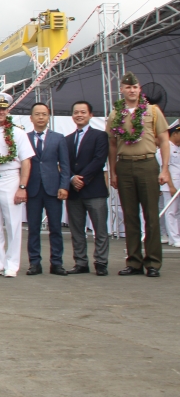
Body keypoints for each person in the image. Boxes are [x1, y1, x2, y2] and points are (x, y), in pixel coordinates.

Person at [107, 72, 171, 277]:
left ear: (139, 89)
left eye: (135, 87)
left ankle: (153, 263)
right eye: (128, 87)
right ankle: (133, 262)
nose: (132, 90)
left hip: (147, 163)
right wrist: (113, 172)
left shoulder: (152, 111)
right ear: (122, 90)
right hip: (125, 166)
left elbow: (164, 139)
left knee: (151, 215)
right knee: (130, 216)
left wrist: (165, 169)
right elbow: (112, 145)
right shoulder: (115, 114)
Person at [0, 93, 34, 278]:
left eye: (3, 108)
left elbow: (26, 161)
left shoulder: (17, 132)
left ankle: (12, 264)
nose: (0, 111)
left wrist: (22, 186)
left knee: (13, 223)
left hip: (10, 178)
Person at [64, 101, 110, 275]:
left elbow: (99, 160)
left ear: (90, 115)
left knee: (100, 229)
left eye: (83, 112)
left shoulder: (100, 136)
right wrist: (71, 178)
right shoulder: (67, 139)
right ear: (72, 116)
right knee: (76, 229)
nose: (79, 115)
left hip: (94, 189)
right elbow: (64, 163)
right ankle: (81, 262)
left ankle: (101, 262)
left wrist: (82, 178)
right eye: (76, 112)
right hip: (74, 192)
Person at [25, 102, 70, 276]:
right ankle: (34, 263)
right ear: (31, 118)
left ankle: (57, 263)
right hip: (33, 189)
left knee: (55, 228)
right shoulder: (25, 137)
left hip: (53, 189)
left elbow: (65, 165)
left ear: (48, 116)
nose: (41, 117)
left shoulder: (58, 138)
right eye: (37, 114)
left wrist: (64, 186)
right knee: (33, 228)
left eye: (44, 114)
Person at [157, 121, 180, 247]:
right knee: (171, 211)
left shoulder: (177, 147)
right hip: (170, 185)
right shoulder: (166, 148)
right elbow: (166, 168)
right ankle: (174, 238)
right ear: (175, 134)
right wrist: (171, 186)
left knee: (177, 212)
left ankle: (175, 236)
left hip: (178, 185)